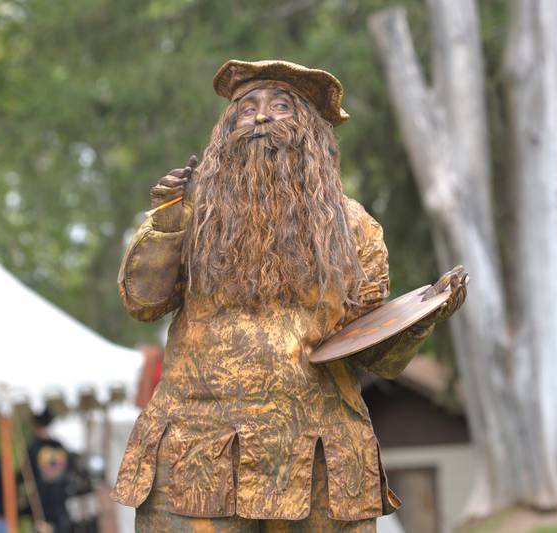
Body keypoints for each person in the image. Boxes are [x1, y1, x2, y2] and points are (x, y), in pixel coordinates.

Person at [112, 60, 467, 531]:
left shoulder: (353, 226)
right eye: (248, 108)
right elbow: (143, 301)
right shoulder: (193, 211)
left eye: (281, 107)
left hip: (315, 450)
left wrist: (424, 314)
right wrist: (167, 226)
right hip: (196, 445)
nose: (261, 117)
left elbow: (374, 355)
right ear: (226, 129)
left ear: (311, 133)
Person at [27, 409, 71, 533]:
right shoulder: (60, 446)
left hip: (42, 508)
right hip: (60, 506)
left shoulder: (33, 448)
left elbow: (25, 476)